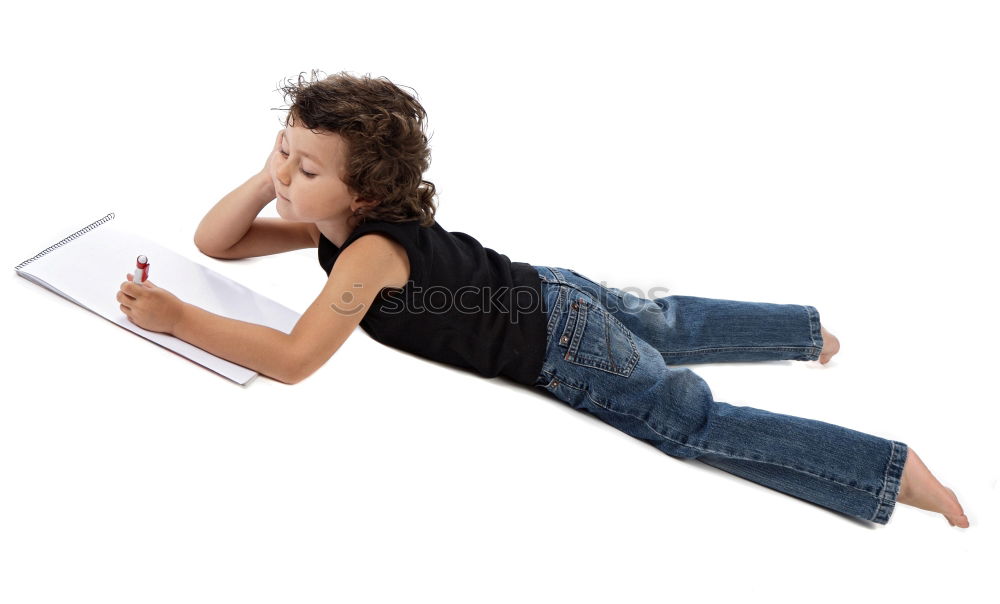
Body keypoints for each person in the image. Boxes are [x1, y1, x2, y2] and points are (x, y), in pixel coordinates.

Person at [115, 70, 969, 528]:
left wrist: (178, 318)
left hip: (563, 347)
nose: (283, 177)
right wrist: (277, 171)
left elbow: (298, 360)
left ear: (363, 192)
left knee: (690, 422)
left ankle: (893, 474)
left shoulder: (364, 253)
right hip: (549, 289)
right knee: (664, 323)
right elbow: (215, 241)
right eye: (282, 151)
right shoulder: (344, 228)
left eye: (306, 168)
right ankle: (807, 334)